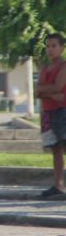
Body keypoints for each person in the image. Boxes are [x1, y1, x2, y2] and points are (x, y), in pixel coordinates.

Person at [36, 32, 66, 199]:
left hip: (62, 110)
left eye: (54, 46)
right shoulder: (45, 68)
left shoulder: (64, 66)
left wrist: (44, 90)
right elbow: (37, 91)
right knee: (55, 149)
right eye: (48, 46)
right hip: (48, 111)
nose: (50, 50)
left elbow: (57, 86)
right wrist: (49, 93)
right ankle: (58, 184)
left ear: (61, 48)